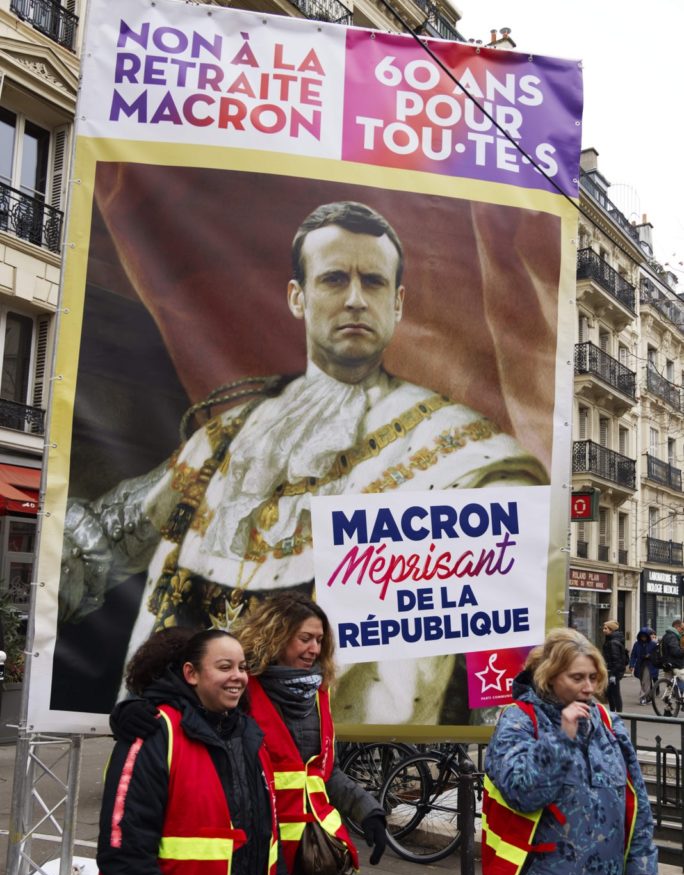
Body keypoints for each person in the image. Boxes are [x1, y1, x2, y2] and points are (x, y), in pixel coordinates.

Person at [59, 201, 547, 726]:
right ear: (298, 296)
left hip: (341, 753)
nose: (356, 300)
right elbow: (102, 540)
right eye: (335, 279)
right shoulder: (228, 435)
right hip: (186, 736)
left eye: (375, 283)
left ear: (398, 303)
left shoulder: (465, 454)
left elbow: (495, 641)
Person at [114, 591, 387, 875]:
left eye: (320, 641)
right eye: (304, 638)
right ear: (277, 635)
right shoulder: (241, 684)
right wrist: (131, 711)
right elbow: (180, 702)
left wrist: (367, 810)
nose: (314, 649)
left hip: (297, 865)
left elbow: (321, 772)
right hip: (241, 864)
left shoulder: (318, 697)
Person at [81, 628, 299, 875]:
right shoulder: (153, 734)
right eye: (224, 666)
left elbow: (269, 857)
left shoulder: (249, 741)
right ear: (190, 673)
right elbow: (126, 856)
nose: (238, 675)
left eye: (242, 667)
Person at [482, 627, 657, 875]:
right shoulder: (518, 720)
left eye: (594, 677)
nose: (589, 687)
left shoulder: (609, 724)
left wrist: (640, 872)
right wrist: (562, 737)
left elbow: (635, 801)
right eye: (577, 678)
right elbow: (522, 791)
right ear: (550, 676)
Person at [628, 626, 659, 705]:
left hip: (649, 665)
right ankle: (648, 697)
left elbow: (656, 655)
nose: (643, 638)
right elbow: (633, 655)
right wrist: (631, 665)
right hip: (640, 665)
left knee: (645, 681)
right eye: (642, 636)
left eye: (645, 636)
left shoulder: (653, 644)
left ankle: (643, 697)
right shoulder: (637, 644)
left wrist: (650, 656)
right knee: (643, 682)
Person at [600, 619, 625, 712]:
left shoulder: (612, 642)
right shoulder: (610, 640)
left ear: (611, 630)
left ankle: (618, 713)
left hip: (613, 671)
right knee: (610, 693)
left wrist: (613, 674)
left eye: (606, 628)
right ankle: (613, 712)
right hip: (611, 670)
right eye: (604, 628)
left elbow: (616, 659)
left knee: (615, 693)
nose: (604, 630)